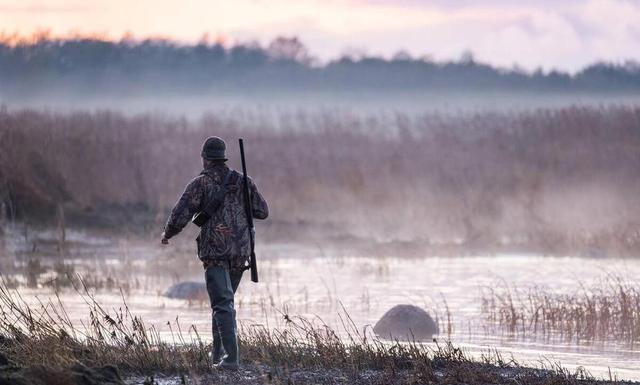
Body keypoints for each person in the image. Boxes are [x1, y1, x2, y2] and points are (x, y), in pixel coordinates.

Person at [161, 136, 269, 371]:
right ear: (223, 158)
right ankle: (217, 356)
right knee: (223, 304)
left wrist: (167, 234)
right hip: (241, 253)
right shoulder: (244, 181)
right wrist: (242, 201)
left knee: (222, 304)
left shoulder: (200, 184)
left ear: (205, 159)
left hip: (215, 253)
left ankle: (230, 360)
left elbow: (180, 215)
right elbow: (262, 211)